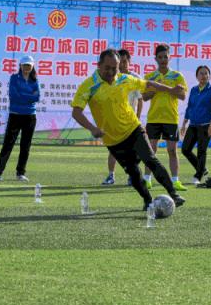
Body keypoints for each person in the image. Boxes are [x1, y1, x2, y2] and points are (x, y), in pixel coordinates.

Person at [71, 49, 186, 211]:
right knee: (134, 173)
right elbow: (76, 112)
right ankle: (148, 201)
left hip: (133, 129)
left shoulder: (124, 79)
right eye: (108, 68)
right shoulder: (89, 85)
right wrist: (92, 128)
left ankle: (173, 194)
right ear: (99, 65)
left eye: (115, 68)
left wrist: (171, 90)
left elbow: (149, 84)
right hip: (113, 140)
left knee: (151, 159)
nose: (112, 72)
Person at [142, 44, 188, 191]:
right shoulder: (150, 77)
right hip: (154, 118)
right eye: (160, 57)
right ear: (155, 59)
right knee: (151, 150)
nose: (163, 60)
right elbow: (144, 97)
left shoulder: (177, 76)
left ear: (170, 57)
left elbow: (182, 96)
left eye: (165, 57)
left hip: (170, 118)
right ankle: (147, 179)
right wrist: (157, 88)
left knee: (172, 151)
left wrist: (171, 90)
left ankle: (175, 181)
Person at [0, 55, 40, 182]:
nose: (26, 67)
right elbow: (13, 95)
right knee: (8, 144)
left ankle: (20, 173)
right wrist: (28, 96)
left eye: (29, 65)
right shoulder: (14, 78)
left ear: (32, 66)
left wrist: (23, 95)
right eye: (24, 65)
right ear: (20, 66)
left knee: (25, 146)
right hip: (15, 115)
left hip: (30, 116)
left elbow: (37, 97)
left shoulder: (35, 80)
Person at [102, 49, 143, 186]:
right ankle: (110, 176)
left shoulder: (135, 78)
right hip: (114, 120)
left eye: (125, 62)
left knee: (134, 150)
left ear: (129, 62)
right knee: (113, 149)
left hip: (130, 121)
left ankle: (132, 176)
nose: (123, 65)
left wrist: (137, 118)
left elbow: (140, 100)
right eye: (121, 62)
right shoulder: (112, 78)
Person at [180, 65, 211, 185]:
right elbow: (189, 107)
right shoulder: (193, 90)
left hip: (206, 125)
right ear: (197, 76)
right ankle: (202, 168)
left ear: (209, 76)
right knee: (185, 149)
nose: (203, 76)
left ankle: (198, 176)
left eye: (206, 73)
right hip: (193, 125)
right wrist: (184, 123)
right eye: (201, 74)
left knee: (201, 151)